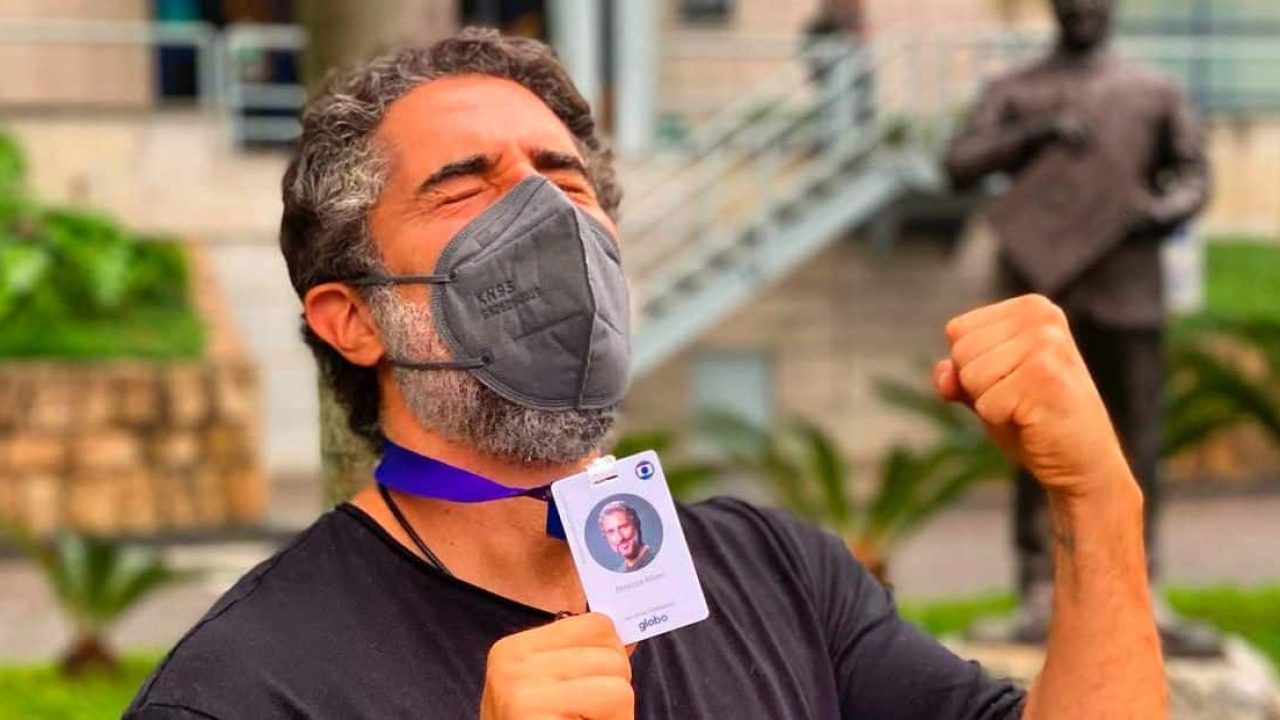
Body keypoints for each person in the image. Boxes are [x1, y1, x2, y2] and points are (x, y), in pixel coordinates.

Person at [126, 28, 1165, 719]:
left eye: (565, 178)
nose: (547, 217)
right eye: (465, 186)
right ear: (351, 319)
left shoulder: (776, 576)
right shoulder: (245, 686)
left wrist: (1097, 505)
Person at [944, 0, 1219, 656]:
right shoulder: (1016, 91)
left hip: (1129, 293)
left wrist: (1151, 214)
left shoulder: (1155, 90)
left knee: (1136, 439)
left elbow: (1195, 176)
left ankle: (1141, 584)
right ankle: (1039, 585)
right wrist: (1035, 131)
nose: (1083, 8)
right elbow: (958, 162)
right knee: (1031, 440)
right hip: (1039, 297)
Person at [598, 501, 654, 573]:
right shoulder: (618, 574)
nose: (620, 538)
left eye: (623, 527)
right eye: (611, 531)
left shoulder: (659, 560)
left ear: (636, 525)